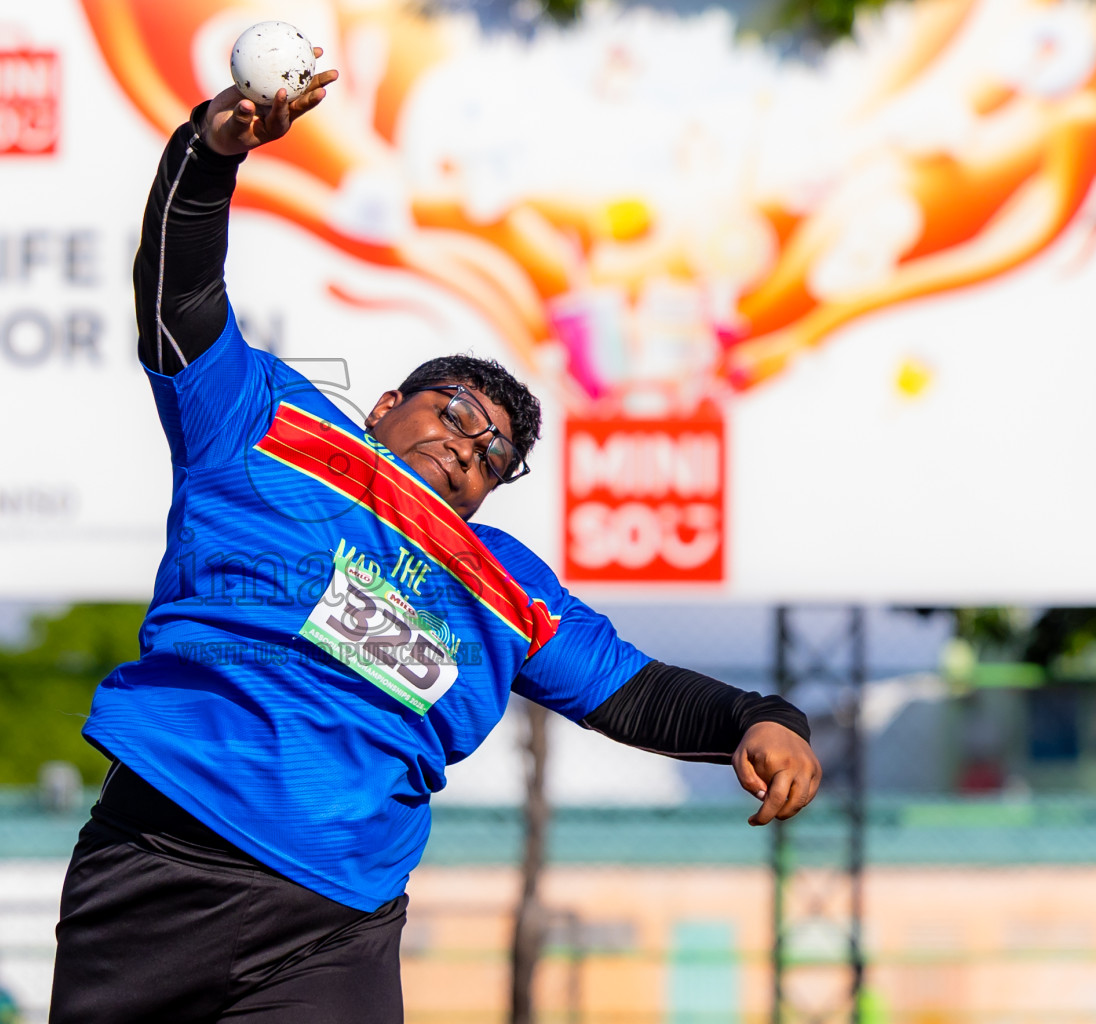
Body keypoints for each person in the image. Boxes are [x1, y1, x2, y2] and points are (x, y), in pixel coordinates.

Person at [49, 63, 822, 1024]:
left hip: (335, 921)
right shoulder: (266, 422)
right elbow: (179, 296)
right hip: (166, 855)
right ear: (386, 405)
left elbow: (633, 689)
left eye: (496, 452)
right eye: (455, 411)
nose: (470, 444)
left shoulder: (504, 584)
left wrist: (762, 713)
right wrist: (208, 156)